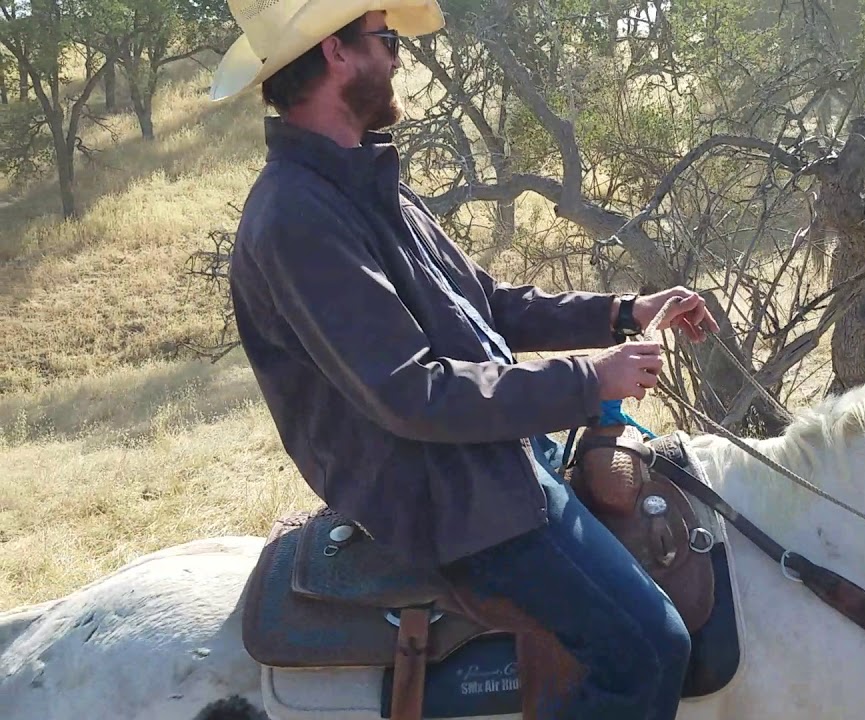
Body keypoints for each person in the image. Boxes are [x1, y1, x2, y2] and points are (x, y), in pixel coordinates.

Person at [210, 0, 720, 718]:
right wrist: (589, 381)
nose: (396, 57)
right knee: (649, 647)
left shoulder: (360, 179)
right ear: (336, 54)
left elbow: (489, 303)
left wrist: (620, 313)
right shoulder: (296, 216)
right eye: (384, 38)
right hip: (447, 497)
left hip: (484, 463)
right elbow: (411, 394)